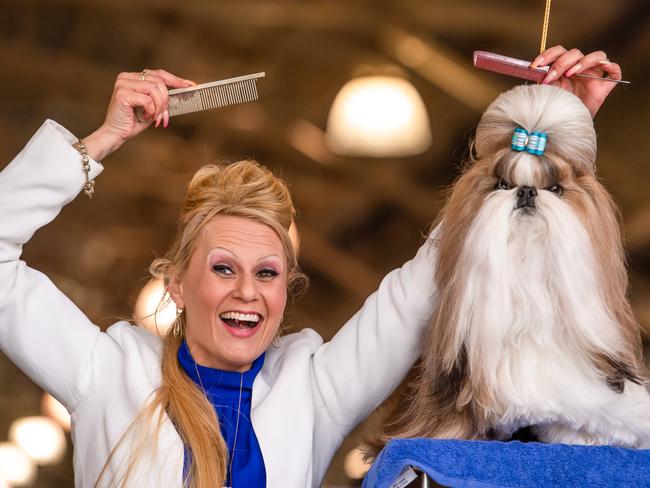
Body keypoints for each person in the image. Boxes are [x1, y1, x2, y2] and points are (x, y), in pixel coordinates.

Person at [0, 46, 621, 487]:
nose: (247, 291)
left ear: (286, 290)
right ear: (175, 285)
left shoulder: (314, 386)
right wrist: (98, 141)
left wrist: (542, 130)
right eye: (222, 268)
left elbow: (439, 270)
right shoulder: (106, 370)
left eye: (267, 273)